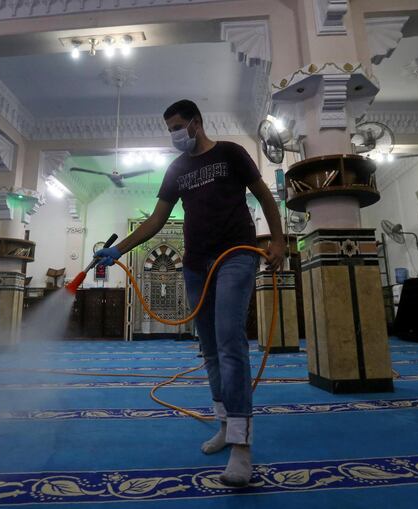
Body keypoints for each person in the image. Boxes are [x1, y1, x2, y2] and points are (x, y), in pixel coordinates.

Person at [94, 99, 285, 486]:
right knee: (210, 348)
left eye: (177, 127)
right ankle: (223, 423)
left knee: (231, 343)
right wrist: (119, 250)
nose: (174, 136)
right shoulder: (177, 169)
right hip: (196, 264)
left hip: (236, 255)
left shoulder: (232, 153)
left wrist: (279, 240)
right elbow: (157, 219)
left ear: (197, 123)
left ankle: (241, 445)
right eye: (169, 130)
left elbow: (264, 195)